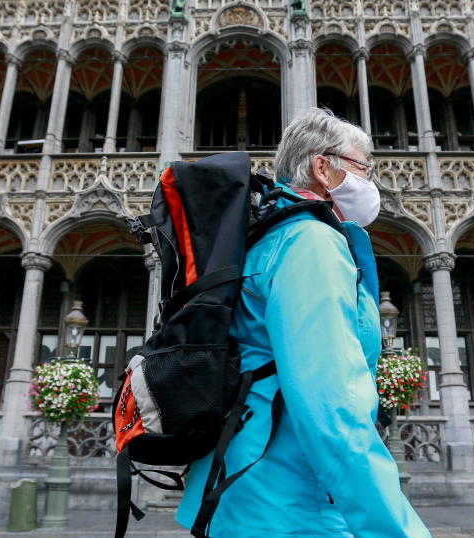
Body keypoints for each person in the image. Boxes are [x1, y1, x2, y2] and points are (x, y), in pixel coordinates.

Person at [176, 108, 431, 536]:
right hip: (289, 497)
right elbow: (332, 407)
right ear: (323, 168)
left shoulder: (270, 236)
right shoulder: (310, 241)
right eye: (363, 168)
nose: (369, 182)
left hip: (245, 487)